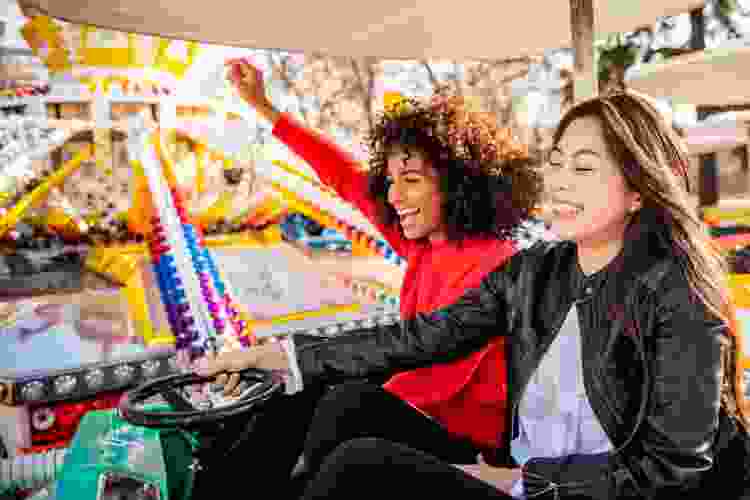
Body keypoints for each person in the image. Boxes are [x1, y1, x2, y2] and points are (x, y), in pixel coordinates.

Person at [198, 90, 749, 499]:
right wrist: (284, 358)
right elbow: (420, 339)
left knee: (359, 465)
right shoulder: (536, 272)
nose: (560, 182)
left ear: (637, 191)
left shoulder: (677, 296)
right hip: (511, 473)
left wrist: (514, 479)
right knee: (344, 402)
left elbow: (673, 473)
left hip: (558, 491)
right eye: (556, 163)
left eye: (584, 169)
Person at [190, 60, 544, 497]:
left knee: (342, 402)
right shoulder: (423, 242)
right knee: (306, 392)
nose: (394, 196)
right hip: (421, 415)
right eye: (391, 180)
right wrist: (265, 108)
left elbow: (430, 372)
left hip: (471, 450)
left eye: (410, 180)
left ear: (457, 185)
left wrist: (320, 373)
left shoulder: (495, 263)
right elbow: (343, 176)